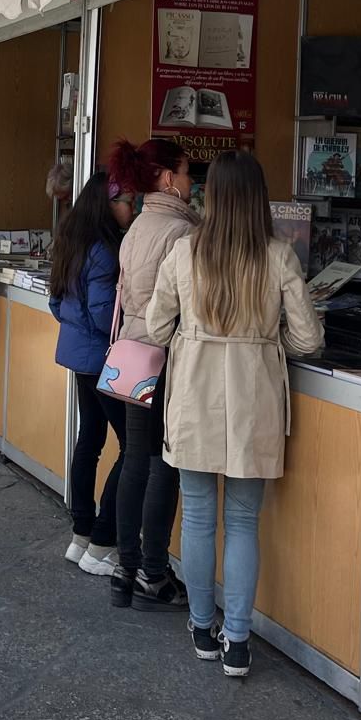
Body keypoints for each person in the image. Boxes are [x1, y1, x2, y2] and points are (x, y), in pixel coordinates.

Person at [146, 149, 324, 677]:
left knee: (199, 517)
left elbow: (156, 327)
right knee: (245, 521)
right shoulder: (279, 256)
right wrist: (267, 341)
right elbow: (308, 339)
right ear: (258, 198)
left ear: (213, 197)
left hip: (193, 397)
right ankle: (238, 641)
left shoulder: (184, 252)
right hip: (256, 400)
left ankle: (202, 627)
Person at [106, 136, 197, 612]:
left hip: (132, 354)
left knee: (135, 458)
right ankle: (154, 572)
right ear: (167, 177)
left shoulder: (139, 223)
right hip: (166, 354)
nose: (191, 180)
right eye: (186, 171)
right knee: (165, 462)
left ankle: (125, 568)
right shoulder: (182, 231)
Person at [48, 171, 135, 577]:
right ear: (107, 204)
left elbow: (57, 301)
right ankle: (101, 542)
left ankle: (81, 534)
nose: (132, 209)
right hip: (103, 357)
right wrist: (126, 331)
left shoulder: (72, 238)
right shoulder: (104, 249)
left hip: (80, 354)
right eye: (127, 202)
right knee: (132, 446)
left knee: (90, 439)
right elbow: (103, 312)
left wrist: (77, 328)